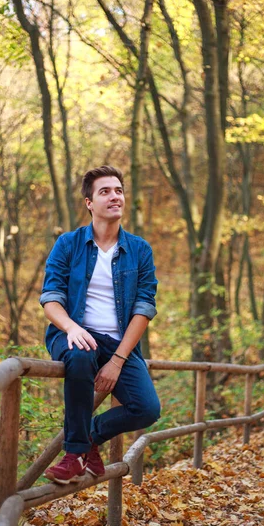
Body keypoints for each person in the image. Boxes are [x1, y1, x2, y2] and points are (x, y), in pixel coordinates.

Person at [39, 165, 160, 484]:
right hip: (72, 334)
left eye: (118, 190)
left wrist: (118, 360)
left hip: (117, 344)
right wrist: (71, 328)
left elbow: (144, 308)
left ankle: (89, 439)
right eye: (105, 191)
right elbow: (50, 297)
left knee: (146, 408)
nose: (114, 196)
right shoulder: (68, 244)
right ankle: (73, 455)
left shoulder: (139, 250)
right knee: (79, 356)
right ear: (89, 203)